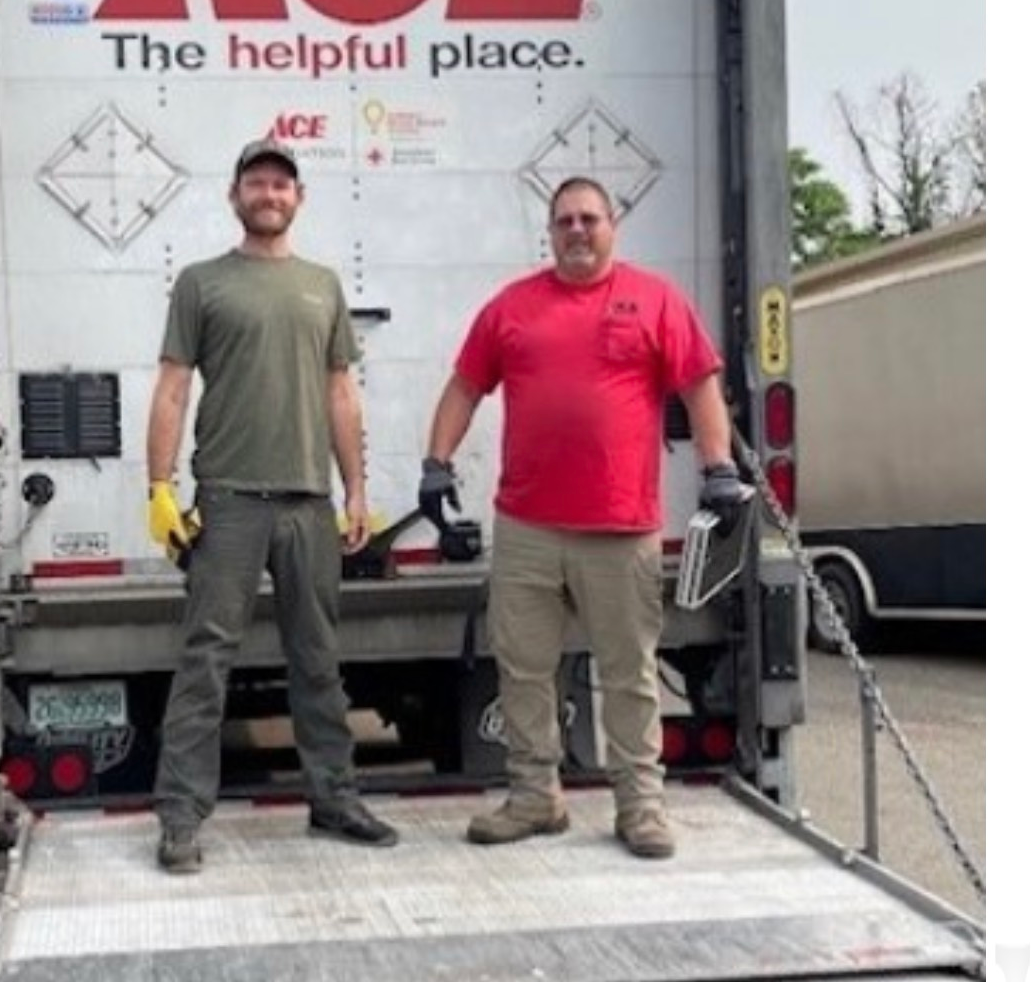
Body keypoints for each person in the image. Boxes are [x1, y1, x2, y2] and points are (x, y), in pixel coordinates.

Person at [419, 176, 749, 858]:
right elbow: (465, 386)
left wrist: (717, 469)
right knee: (523, 669)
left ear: (611, 225)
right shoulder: (511, 308)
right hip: (527, 527)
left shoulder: (655, 300)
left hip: (620, 526)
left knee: (628, 671)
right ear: (549, 230)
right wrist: (436, 462)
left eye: (588, 219)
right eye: (564, 220)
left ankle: (640, 809)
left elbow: (699, 386)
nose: (576, 229)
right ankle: (535, 798)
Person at [147, 137, 398, 871]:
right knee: (205, 661)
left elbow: (339, 394)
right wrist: (159, 489)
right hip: (227, 502)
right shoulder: (201, 283)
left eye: (281, 184)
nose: (269, 193)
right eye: (255, 181)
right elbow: (171, 386)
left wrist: (354, 488)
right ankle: (180, 817)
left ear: (298, 200)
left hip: (307, 505)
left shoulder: (322, 286)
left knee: (317, 660)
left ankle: (333, 799)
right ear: (235, 197)